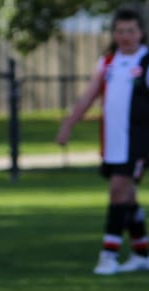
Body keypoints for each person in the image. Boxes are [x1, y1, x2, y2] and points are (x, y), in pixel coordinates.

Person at [56, 5, 149, 275]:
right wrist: (68, 124)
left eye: (130, 30)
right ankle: (142, 252)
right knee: (127, 196)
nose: (125, 36)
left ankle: (108, 256)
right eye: (120, 31)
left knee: (118, 191)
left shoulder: (145, 63)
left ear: (141, 33)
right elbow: (89, 96)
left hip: (138, 142)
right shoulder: (108, 62)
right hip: (113, 141)